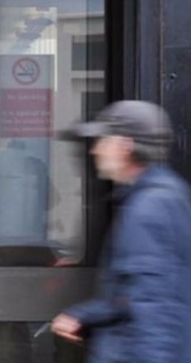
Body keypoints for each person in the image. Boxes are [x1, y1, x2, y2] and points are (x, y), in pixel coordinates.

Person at [50, 100, 191, 362]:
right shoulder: (156, 199)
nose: (95, 150)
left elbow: (154, 308)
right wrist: (84, 316)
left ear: (125, 146)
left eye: (103, 141)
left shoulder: (150, 208)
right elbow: (130, 297)